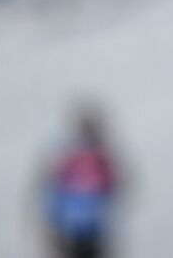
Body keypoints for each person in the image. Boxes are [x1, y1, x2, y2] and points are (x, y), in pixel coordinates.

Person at [40, 105, 122, 258]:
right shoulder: (88, 157)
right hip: (78, 226)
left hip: (86, 226)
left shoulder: (95, 157)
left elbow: (112, 188)